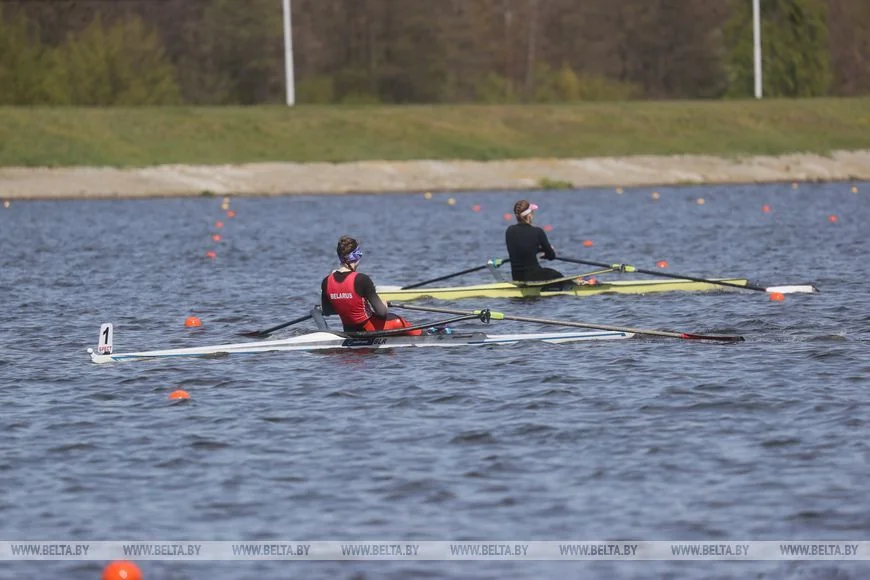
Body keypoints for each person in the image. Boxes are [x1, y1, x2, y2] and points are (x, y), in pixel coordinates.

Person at [321, 235, 421, 335]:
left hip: (349, 330)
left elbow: (327, 311)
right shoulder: (362, 279)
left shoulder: (326, 281)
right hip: (369, 330)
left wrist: (343, 302)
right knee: (399, 320)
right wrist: (384, 305)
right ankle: (425, 335)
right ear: (356, 256)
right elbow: (382, 313)